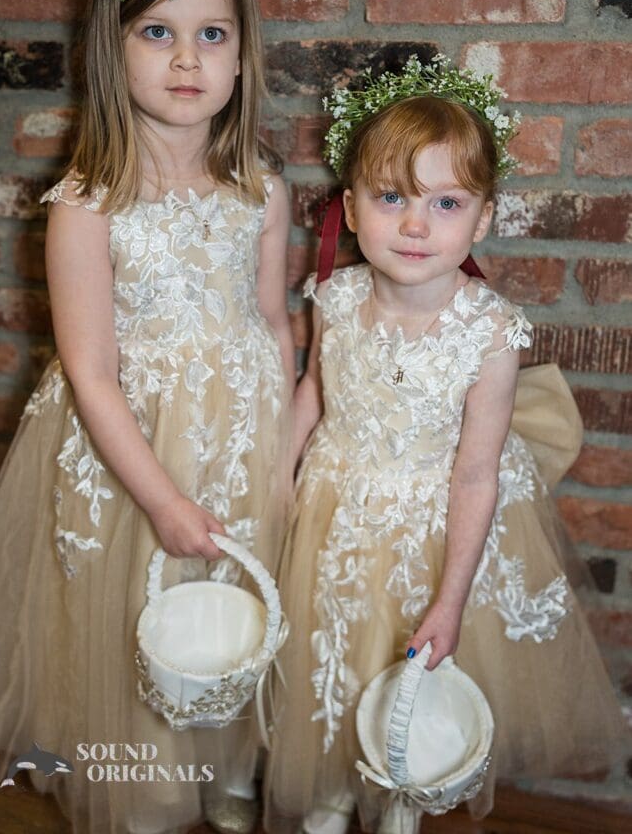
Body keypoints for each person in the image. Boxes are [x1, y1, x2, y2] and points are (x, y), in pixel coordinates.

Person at [0, 0, 293, 834]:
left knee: (223, 614)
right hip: (130, 454)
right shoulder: (85, 204)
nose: (188, 58)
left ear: (240, 51)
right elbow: (90, 374)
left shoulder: (261, 189)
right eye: (156, 32)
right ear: (112, 43)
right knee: (129, 619)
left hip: (238, 436)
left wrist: (287, 451)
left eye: (211, 34)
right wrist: (164, 500)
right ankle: (138, 792)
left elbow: (272, 325)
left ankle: (222, 769)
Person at [264, 58, 628, 834]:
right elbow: (314, 392)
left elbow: (473, 478)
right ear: (352, 210)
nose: (417, 225)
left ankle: (399, 797)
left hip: (435, 522)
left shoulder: (487, 332)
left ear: (483, 218)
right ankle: (330, 782)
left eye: (446, 202)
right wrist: (274, 479)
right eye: (391, 197)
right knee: (337, 642)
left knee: (408, 660)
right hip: (339, 503)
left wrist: (452, 598)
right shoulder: (335, 296)